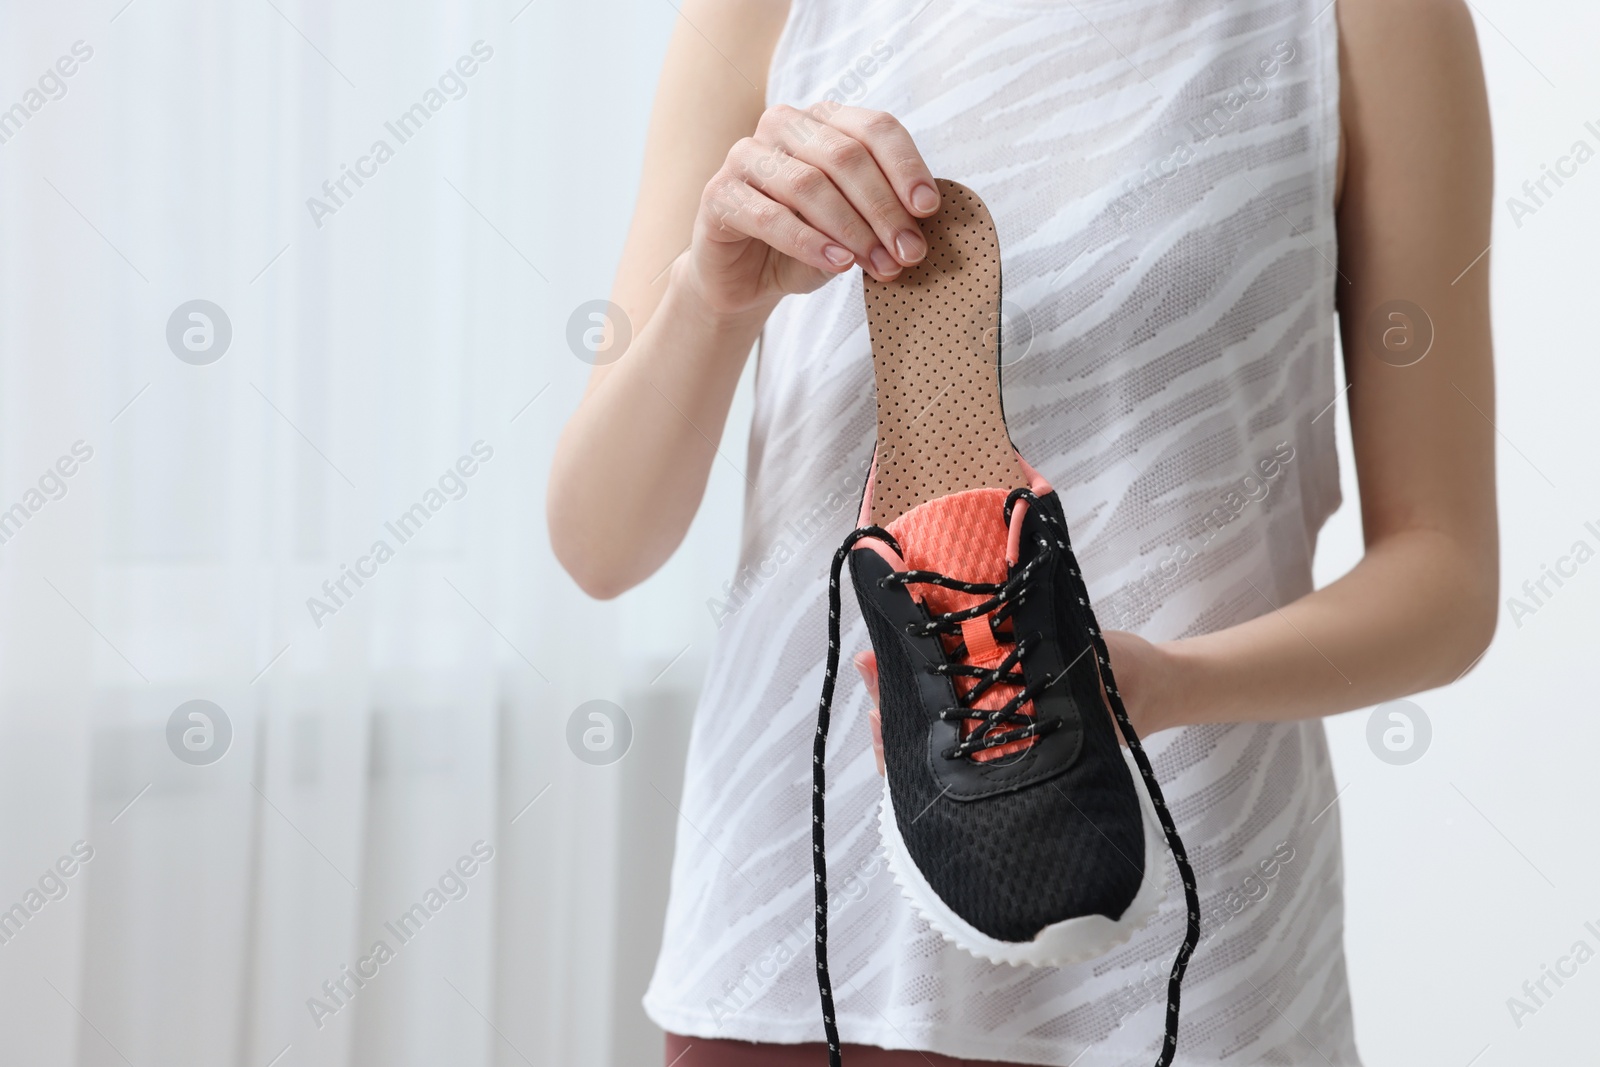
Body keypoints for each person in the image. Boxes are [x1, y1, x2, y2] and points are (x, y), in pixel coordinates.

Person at [548, 0, 1497, 1062]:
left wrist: (1164, 682)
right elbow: (602, 541)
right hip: (800, 952)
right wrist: (710, 296)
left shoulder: (1369, 19)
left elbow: (1444, 575)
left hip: (1191, 961)